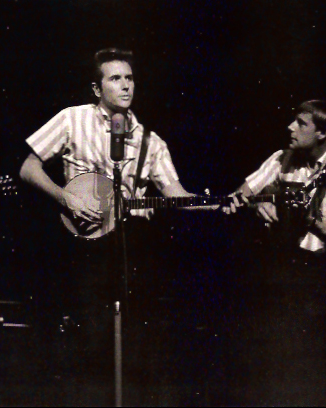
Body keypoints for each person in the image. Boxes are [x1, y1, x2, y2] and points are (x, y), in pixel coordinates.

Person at [19, 48, 212, 400]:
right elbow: (28, 168)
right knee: (89, 336)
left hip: (133, 244)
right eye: (115, 78)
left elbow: (175, 194)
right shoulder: (71, 119)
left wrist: (212, 204)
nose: (126, 86)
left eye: (129, 78)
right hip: (83, 245)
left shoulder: (150, 141)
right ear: (96, 88)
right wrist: (66, 198)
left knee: (137, 339)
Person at [223, 100, 326, 405]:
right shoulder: (282, 159)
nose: (291, 127)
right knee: (275, 362)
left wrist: (311, 220)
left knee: (317, 367)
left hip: (325, 275)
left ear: (322, 132)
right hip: (284, 272)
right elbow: (241, 194)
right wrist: (256, 203)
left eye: (301, 123)